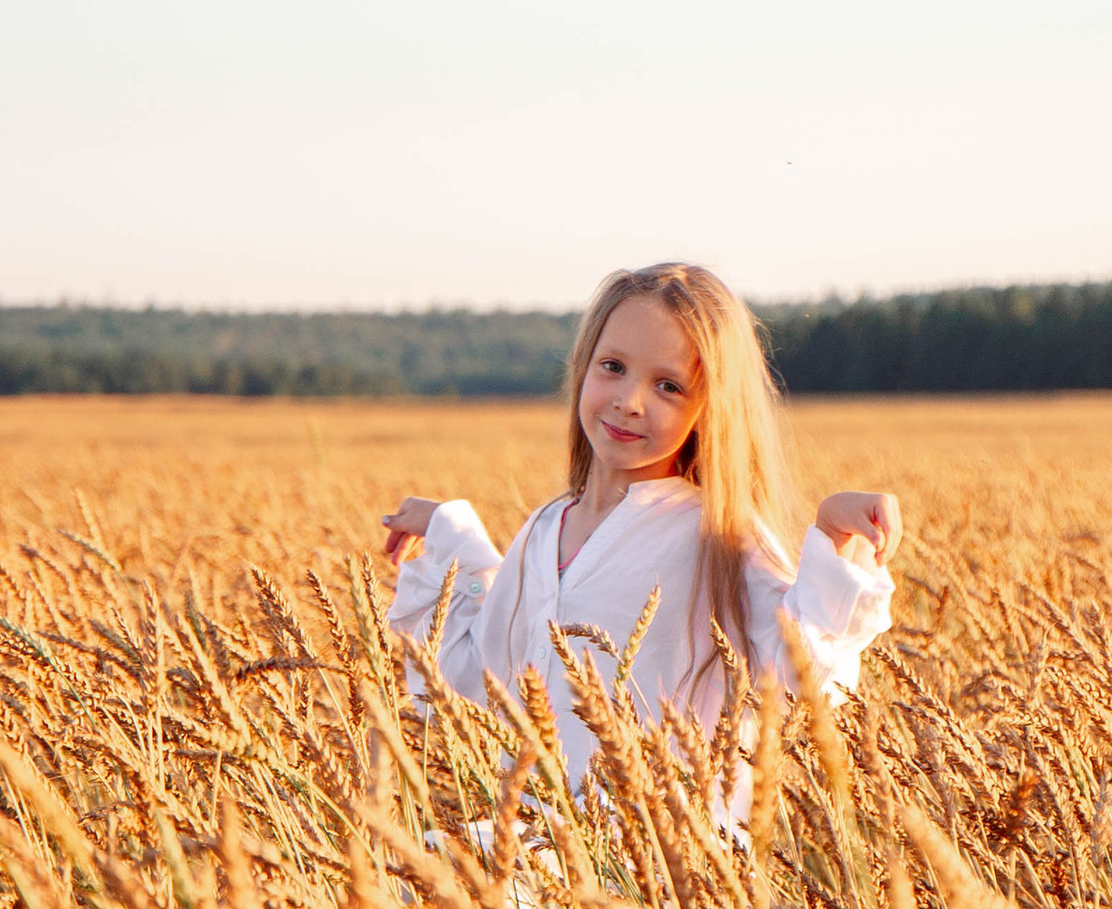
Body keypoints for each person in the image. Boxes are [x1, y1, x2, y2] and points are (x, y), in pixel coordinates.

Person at [380, 259, 900, 806]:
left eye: (668, 386)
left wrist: (835, 539)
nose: (629, 401)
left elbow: (805, 677)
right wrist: (452, 539)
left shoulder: (719, 538)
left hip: (663, 849)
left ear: (711, 410)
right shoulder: (543, 529)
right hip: (537, 838)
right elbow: (479, 675)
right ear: (583, 365)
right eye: (613, 367)